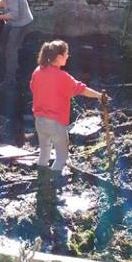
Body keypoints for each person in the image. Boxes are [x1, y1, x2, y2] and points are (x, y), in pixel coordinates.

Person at [31, 40, 106, 174]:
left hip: (39, 120)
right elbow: (81, 89)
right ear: (59, 57)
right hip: (56, 122)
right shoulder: (62, 77)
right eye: (66, 54)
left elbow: (33, 88)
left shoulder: (37, 72)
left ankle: (41, 182)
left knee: (44, 153)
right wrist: (99, 96)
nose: (67, 57)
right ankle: (53, 185)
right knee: (61, 157)